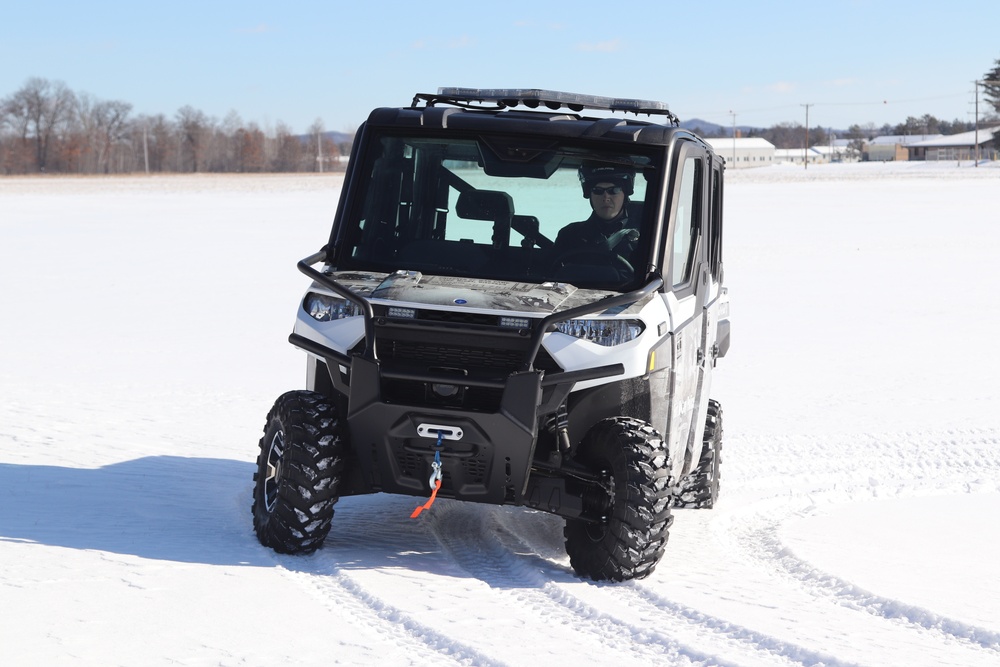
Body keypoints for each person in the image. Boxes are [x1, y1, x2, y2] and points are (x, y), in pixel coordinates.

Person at [552, 164, 640, 277]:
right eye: (597, 191)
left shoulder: (649, 236)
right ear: (590, 195)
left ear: (625, 194)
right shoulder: (569, 235)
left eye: (614, 190)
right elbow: (549, 275)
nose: (606, 197)